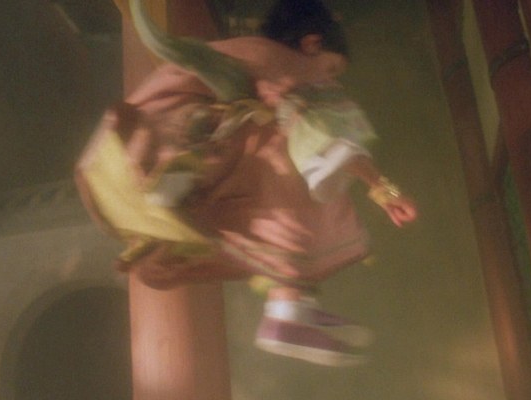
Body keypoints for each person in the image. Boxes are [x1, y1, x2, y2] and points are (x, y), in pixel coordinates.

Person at [75, 0, 417, 366]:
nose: (331, 79)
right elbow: (319, 128)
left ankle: (294, 303)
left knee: (279, 179)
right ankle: (288, 309)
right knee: (301, 166)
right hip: (176, 153)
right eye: (331, 68)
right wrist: (381, 188)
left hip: (171, 169)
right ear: (312, 44)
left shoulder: (247, 56)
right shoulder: (280, 61)